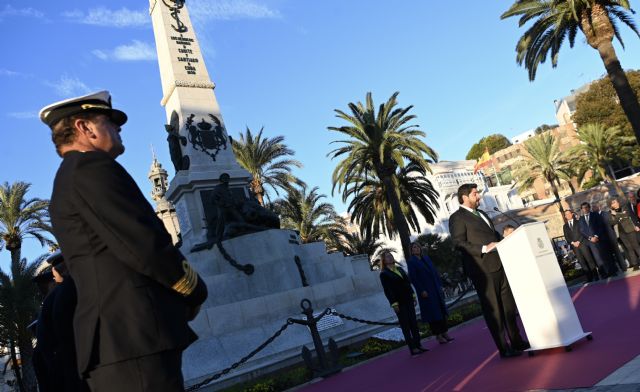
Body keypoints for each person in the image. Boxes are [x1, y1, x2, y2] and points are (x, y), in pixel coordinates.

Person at [40, 91, 208, 391]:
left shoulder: (68, 177)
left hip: (118, 341)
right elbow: (142, 244)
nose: (119, 128)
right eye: (109, 121)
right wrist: (192, 289)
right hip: (133, 336)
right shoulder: (91, 168)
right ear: (85, 128)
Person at [448, 183, 529, 358]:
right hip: (482, 270)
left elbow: (493, 237)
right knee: (494, 311)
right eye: (475, 194)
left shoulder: (483, 213)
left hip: (500, 265)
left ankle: (517, 341)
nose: (479, 197)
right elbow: (458, 243)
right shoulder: (457, 217)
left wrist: (505, 238)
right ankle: (504, 347)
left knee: (508, 307)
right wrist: (484, 248)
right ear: (465, 197)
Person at [379, 251, 426, 356]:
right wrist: (394, 304)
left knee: (414, 323)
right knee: (406, 326)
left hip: (408, 299)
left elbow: (407, 283)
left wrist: (413, 296)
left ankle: (419, 344)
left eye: (391, 255)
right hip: (399, 303)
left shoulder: (400, 269)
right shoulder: (384, 274)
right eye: (387, 256)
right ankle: (412, 348)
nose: (390, 257)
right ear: (384, 260)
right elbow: (388, 291)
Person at [406, 242, 453, 345]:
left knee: (441, 311)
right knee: (433, 314)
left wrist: (440, 285)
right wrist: (421, 290)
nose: (417, 248)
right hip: (426, 291)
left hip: (435, 289)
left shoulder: (426, 258)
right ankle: (438, 335)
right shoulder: (411, 262)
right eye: (414, 247)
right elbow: (413, 278)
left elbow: (435, 272)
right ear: (411, 250)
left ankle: (445, 332)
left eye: (418, 246)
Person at [579, 202, 618, 278]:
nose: (585, 209)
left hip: (600, 239)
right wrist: (590, 238)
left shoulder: (595, 215)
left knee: (606, 256)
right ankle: (604, 273)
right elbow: (582, 230)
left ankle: (613, 271)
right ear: (581, 209)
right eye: (583, 208)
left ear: (589, 208)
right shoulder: (581, 219)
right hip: (591, 242)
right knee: (598, 258)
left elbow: (601, 226)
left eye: (586, 207)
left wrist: (596, 236)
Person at [562, 210, 599, 281]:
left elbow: (582, 233)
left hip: (582, 244)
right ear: (565, 216)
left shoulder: (578, 222)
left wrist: (578, 241)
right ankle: (589, 278)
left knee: (589, 260)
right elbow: (567, 237)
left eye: (569, 214)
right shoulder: (565, 226)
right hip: (575, 247)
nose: (568, 215)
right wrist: (573, 243)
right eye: (566, 214)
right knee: (582, 262)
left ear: (572, 214)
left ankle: (596, 276)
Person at [609, 198, 640, 271]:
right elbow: (612, 222)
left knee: (636, 246)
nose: (613, 204)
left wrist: (617, 215)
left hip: (629, 229)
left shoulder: (624, 207)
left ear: (618, 202)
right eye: (612, 203)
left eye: (614, 202)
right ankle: (635, 264)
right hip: (621, 233)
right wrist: (620, 216)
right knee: (629, 248)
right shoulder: (611, 213)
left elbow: (626, 214)